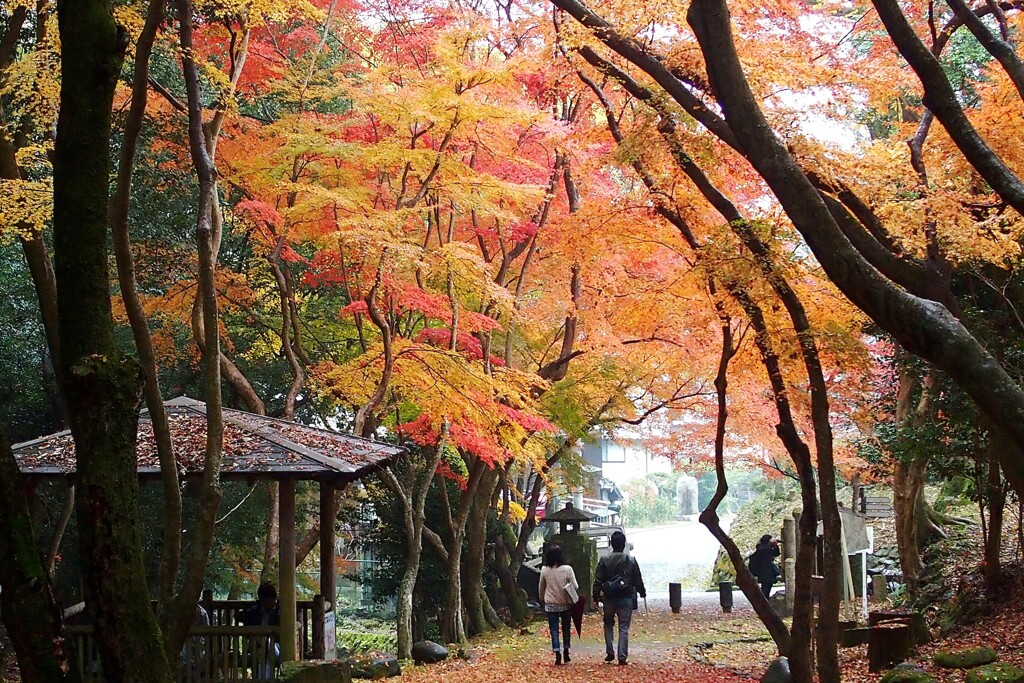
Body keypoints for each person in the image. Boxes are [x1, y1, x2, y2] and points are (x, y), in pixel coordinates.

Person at [593, 530, 645, 666]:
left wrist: (595, 596)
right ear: (624, 544)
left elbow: (598, 579)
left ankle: (610, 651)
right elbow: (637, 579)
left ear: (611, 544)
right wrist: (642, 592)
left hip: (609, 597)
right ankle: (622, 656)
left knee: (608, 624)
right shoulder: (630, 560)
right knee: (623, 627)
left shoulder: (604, 560)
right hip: (625, 597)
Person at [537, 544, 579, 666]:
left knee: (554, 629)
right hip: (565, 603)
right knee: (566, 627)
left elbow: (541, 587)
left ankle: (557, 652)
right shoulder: (567, 569)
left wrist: (541, 598)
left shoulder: (544, 570)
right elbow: (575, 586)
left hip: (550, 603)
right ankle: (566, 650)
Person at [238, 583, 281, 678]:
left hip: (277, 647)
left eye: (270, 600)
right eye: (265, 601)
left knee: (267, 647)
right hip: (258, 646)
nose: (268, 603)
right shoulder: (255, 611)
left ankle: (262, 679)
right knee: (263, 652)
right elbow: (245, 622)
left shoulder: (280, 611)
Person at [748, 534, 781, 598]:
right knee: (765, 587)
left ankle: (766, 599)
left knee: (768, 586)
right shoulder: (760, 547)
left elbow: (776, 553)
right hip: (763, 570)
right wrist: (771, 544)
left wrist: (775, 546)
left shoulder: (769, 547)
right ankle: (764, 601)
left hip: (769, 570)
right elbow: (763, 550)